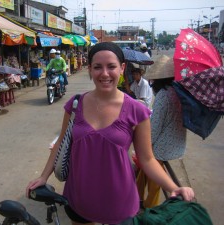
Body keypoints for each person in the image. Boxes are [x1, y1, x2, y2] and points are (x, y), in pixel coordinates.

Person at [26, 42, 194, 225]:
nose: (104, 74)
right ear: (89, 69)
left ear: (122, 68)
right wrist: (43, 177)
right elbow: (60, 145)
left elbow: (147, 159)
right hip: (79, 197)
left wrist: (173, 187)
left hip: (119, 201)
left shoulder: (137, 110)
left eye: (111, 66)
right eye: (97, 67)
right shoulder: (74, 105)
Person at [136, 55, 187, 209]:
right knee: (142, 167)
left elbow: (154, 129)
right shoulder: (178, 91)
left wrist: (141, 145)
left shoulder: (164, 95)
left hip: (164, 148)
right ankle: (137, 198)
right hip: (178, 144)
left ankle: (149, 206)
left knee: (146, 161)